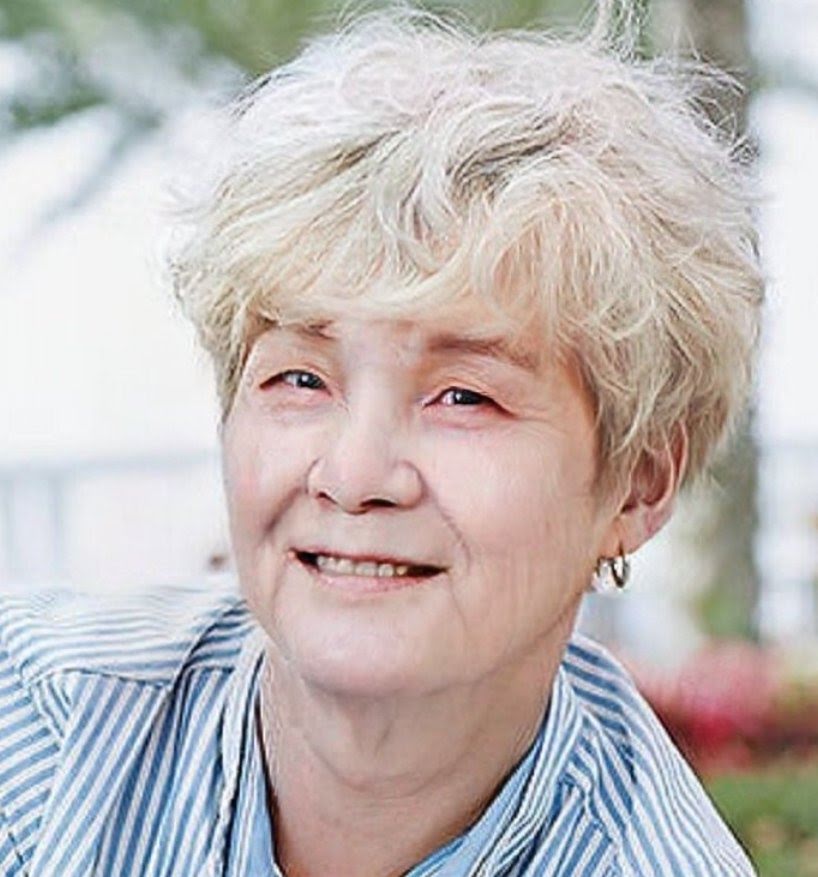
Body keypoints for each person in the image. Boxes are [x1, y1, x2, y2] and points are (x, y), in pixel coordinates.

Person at [0, 4, 762, 875]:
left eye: (464, 396)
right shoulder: (39, 737)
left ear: (637, 485)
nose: (354, 472)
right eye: (299, 379)